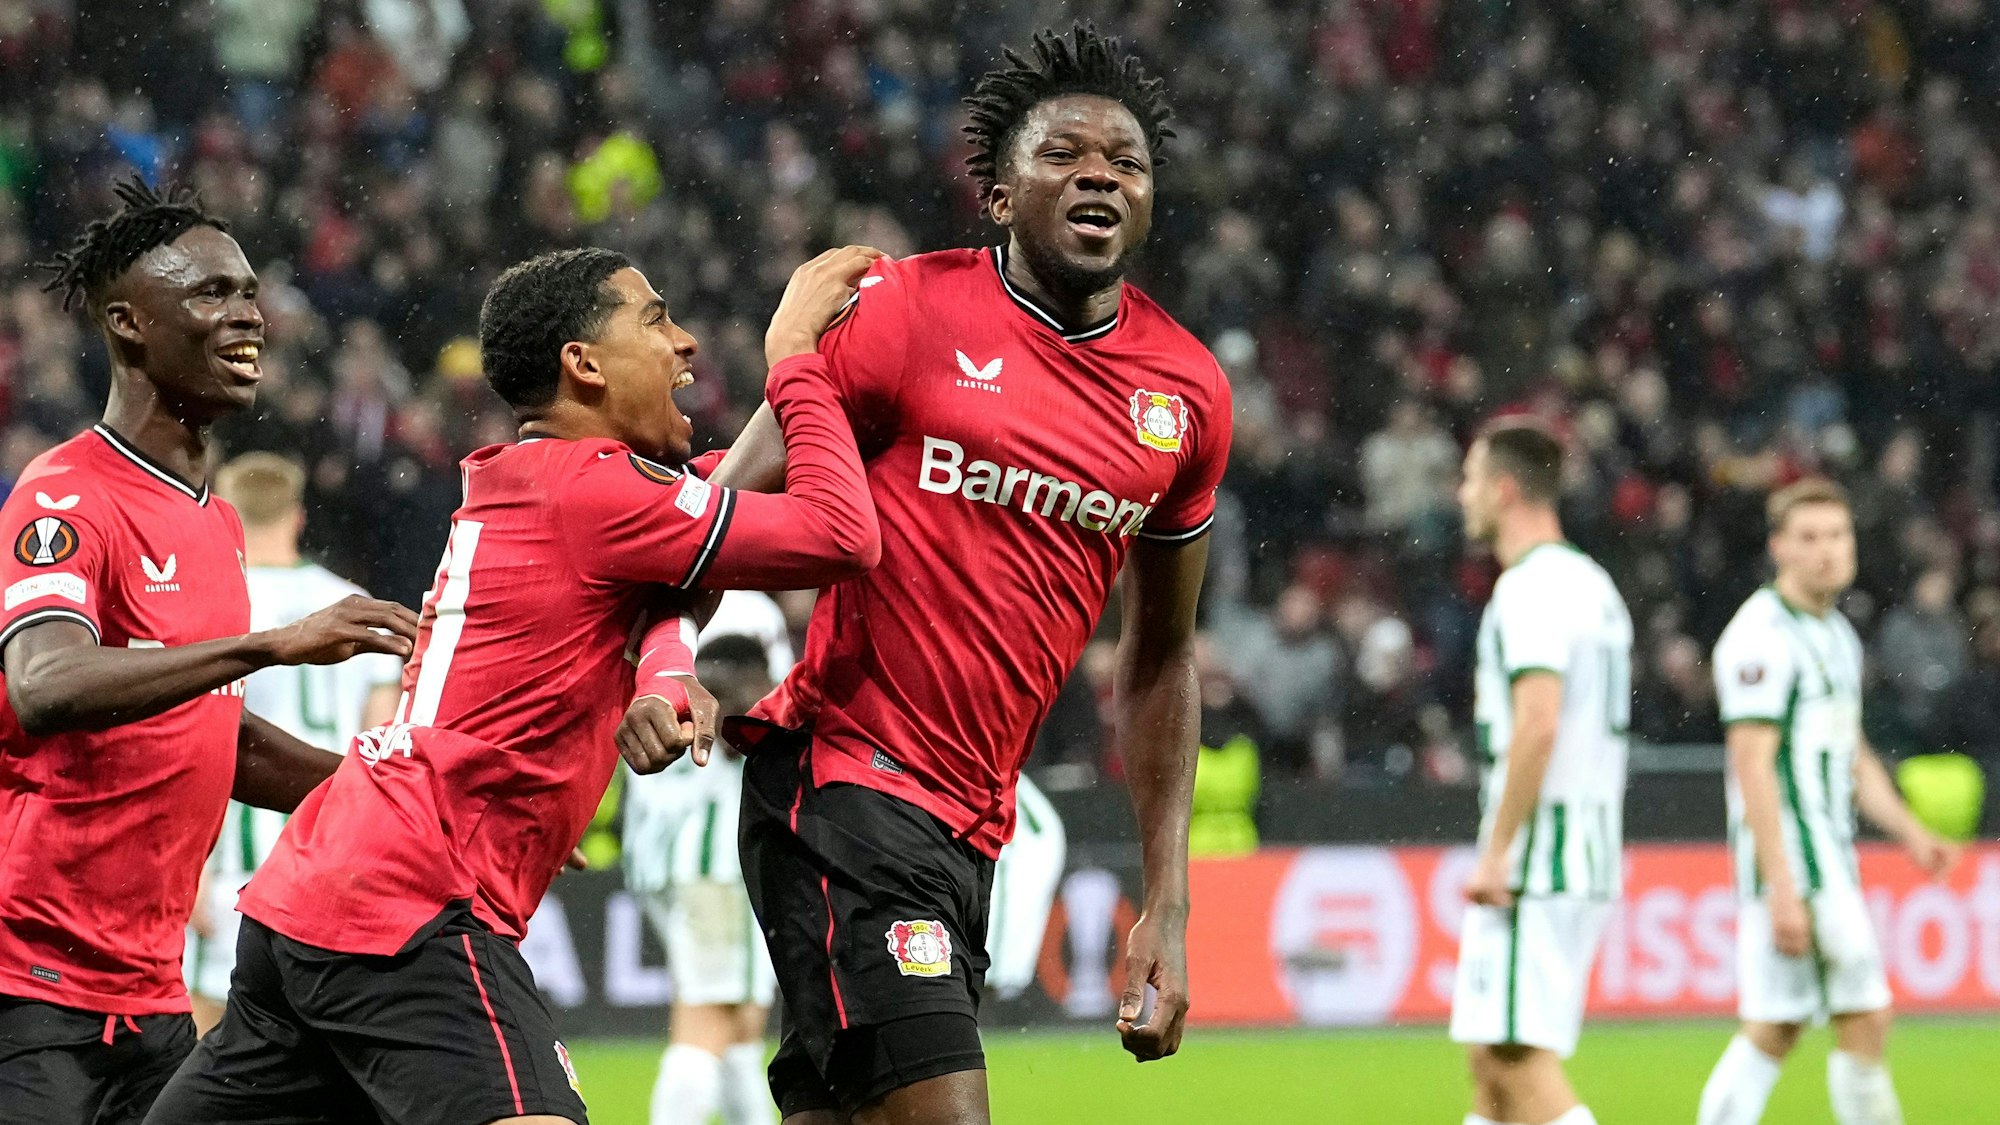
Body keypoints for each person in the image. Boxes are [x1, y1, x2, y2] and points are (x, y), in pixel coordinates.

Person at [631, 23, 1232, 1124]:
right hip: (843, 787)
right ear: (998, 196)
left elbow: (1157, 659)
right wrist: (664, 665)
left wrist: (1168, 902)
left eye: (1126, 162)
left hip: (971, 827)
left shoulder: (1185, 396)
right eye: (1061, 154)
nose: (1099, 174)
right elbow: (723, 516)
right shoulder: (905, 310)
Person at [144, 244, 884, 1125]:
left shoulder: (539, 480)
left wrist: (665, 669)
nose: (685, 342)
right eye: (655, 319)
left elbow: (691, 544)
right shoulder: (598, 494)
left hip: (316, 891)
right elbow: (843, 535)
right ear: (584, 364)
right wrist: (794, 354)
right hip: (417, 901)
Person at [0, 178, 418, 1125]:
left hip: (153, 997)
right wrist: (269, 644)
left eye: (249, 292)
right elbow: (45, 683)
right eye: (211, 293)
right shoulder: (65, 495)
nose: (248, 314)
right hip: (29, 992)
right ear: (129, 324)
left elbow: (215, 738)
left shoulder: (214, 520)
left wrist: (412, 810)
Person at [1697, 478, 1958, 1125]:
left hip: (1825, 854)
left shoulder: (1836, 632)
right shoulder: (1761, 635)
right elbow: (1751, 764)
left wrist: (1910, 831)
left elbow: (1852, 753)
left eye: (1838, 535)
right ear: (1779, 547)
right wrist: (1782, 886)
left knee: (1779, 1027)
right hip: (1798, 862)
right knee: (1864, 1016)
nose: (1827, 551)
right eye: (1809, 538)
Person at [183, 452, 406, 1035]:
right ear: (298, 516)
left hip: (235, 855)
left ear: (226, 514)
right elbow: (382, 744)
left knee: (209, 1036)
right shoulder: (353, 603)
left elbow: (199, 738)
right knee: (328, 1031)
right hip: (333, 850)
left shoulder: (214, 604)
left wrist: (190, 866)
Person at [1449, 422, 1631, 1125]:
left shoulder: (1530, 588)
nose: (1462, 494)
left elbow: (1538, 723)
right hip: (1582, 845)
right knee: (1490, 1069)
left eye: (1470, 478)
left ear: (1504, 489)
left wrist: (1497, 851)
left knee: (1512, 1058)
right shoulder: (1592, 583)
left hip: (1539, 856)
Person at [626, 596, 793, 1125]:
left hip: (664, 847)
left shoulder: (658, 595)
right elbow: (755, 707)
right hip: (717, 858)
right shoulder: (752, 612)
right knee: (708, 1023)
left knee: (741, 1029)